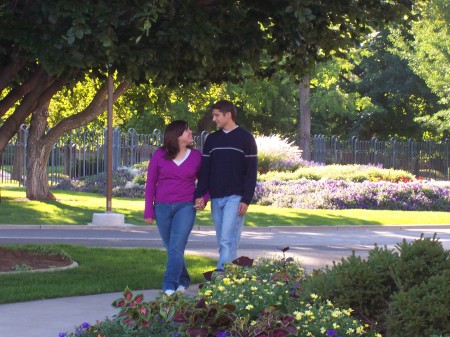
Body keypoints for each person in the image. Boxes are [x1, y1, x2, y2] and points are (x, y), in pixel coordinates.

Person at [144, 120, 207, 296]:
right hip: (162, 207)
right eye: (187, 130)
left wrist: (204, 198)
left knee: (176, 246)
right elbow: (150, 183)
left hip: (186, 206)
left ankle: (168, 286)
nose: (191, 132)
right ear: (177, 135)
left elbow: (204, 183)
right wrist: (149, 210)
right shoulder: (159, 155)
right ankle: (184, 279)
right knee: (171, 247)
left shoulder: (196, 156)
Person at [194, 99, 258, 271]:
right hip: (216, 197)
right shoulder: (212, 140)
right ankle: (232, 274)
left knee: (227, 239)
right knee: (224, 239)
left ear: (228, 115)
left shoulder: (246, 138)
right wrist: (200, 195)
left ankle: (221, 272)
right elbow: (205, 170)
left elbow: (251, 172)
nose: (214, 119)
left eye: (216, 115)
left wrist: (246, 199)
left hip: (236, 197)